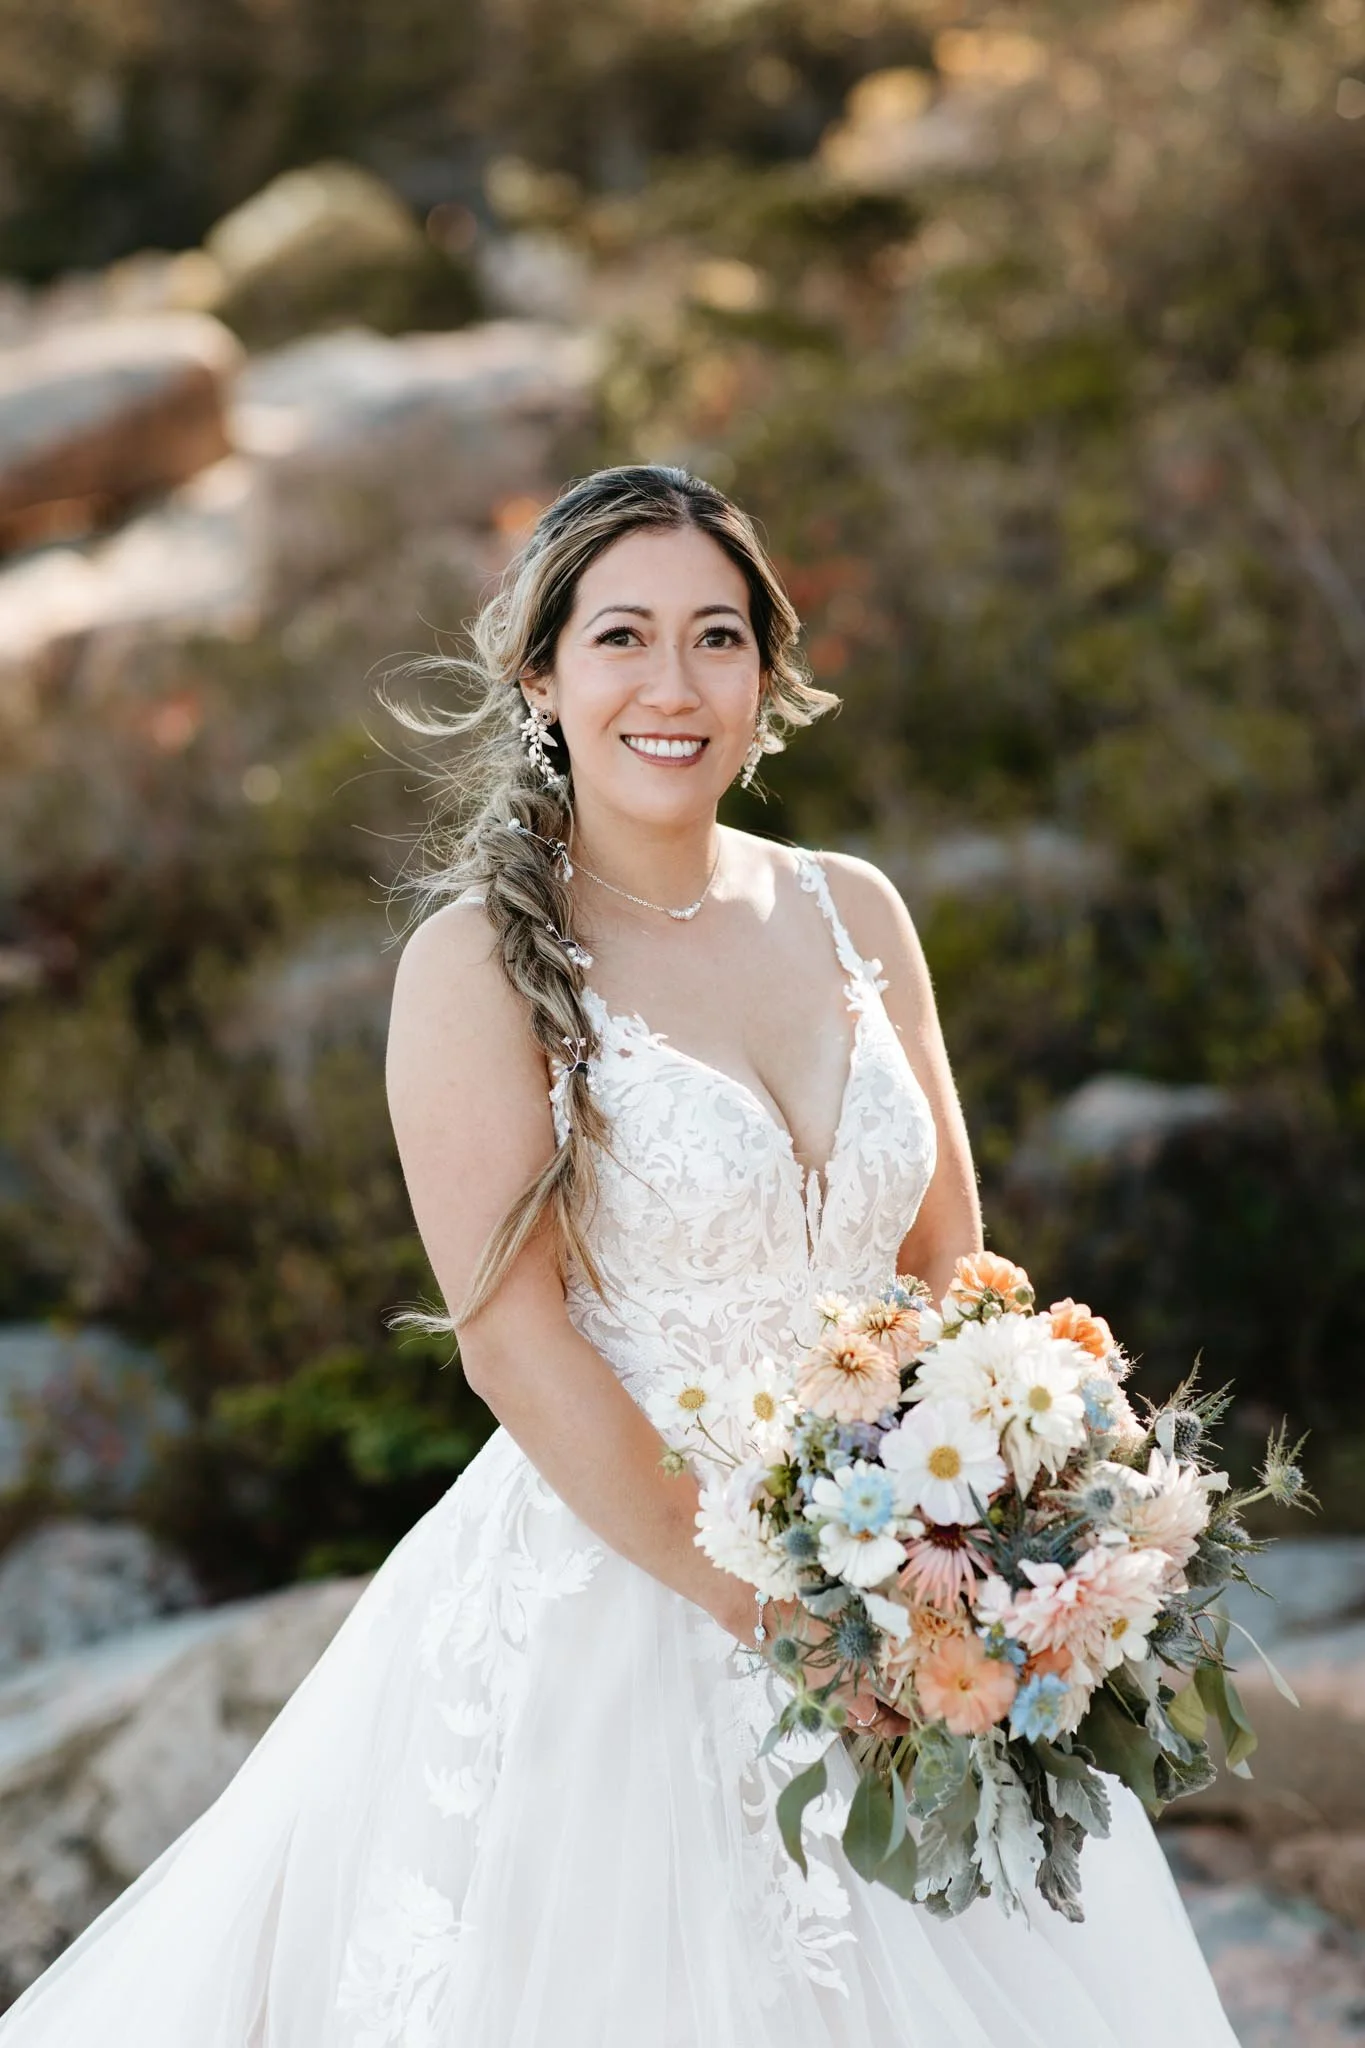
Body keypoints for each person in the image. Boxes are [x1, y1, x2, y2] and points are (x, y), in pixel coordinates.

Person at [0, 464, 1240, 2045]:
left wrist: (998, 1535)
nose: (674, 685)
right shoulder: (473, 968)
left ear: (767, 673)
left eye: (718, 638)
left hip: (914, 1580)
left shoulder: (856, 911)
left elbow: (952, 1272)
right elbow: (513, 1341)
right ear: (543, 674)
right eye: (624, 638)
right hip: (628, 1582)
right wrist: (791, 1617)